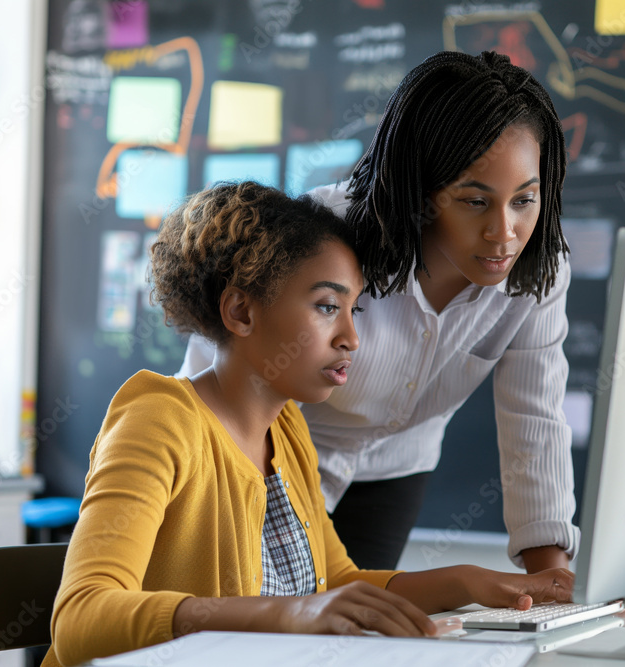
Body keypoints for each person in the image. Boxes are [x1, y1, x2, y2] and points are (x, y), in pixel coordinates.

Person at [43, 181, 574, 667]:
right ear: (241, 313)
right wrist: (287, 615)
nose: (351, 338)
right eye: (326, 307)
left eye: (355, 311)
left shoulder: (288, 429)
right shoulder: (159, 418)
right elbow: (80, 621)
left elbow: (339, 581)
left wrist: (469, 581)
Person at [178, 50, 579, 575]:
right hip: (270, 455)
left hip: (397, 462)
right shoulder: (321, 240)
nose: (504, 234)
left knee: (352, 637)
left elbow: (536, 417)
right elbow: (223, 377)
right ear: (422, 189)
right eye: (475, 202)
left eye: (524, 201)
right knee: (251, 628)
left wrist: (552, 578)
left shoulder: (537, 271)